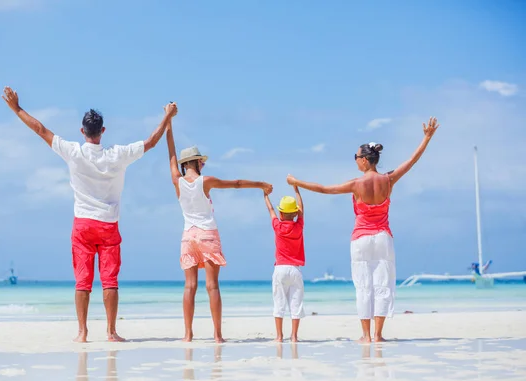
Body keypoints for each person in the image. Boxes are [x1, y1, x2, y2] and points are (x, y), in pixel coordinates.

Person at [2, 86, 177, 342]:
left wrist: (16, 108)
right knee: (110, 281)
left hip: (83, 225)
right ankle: (111, 331)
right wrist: (167, 116)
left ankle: (82, 332)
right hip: (108, 225)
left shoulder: (73, 151)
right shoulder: (117, 155)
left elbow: (41, 130)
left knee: (83, 282)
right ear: (102, 131)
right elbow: (151, 142)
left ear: (82, 131)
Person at [287, 117, 440, 343]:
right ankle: (378, 335)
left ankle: (366, 335)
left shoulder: (356, 184)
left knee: (363, 287)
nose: (355, 161)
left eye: (357, 157)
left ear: (366, 161)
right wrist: (426, 138)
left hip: (360, 240)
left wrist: (296, 182)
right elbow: (411, 161)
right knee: (383, 286)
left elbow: (323, 189)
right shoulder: (388, 180)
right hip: (383, 239)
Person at [164, 116, 272, 343]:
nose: (203, 165)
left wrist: (168, 122)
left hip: (188, 236)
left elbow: (171, 152)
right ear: (194, 162)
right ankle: (217, 335)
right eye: (201, 162)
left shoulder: (177, 180)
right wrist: (261, 184)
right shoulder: (206, 181)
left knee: (189, 285)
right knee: (212, 286)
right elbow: (237, 184)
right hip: (206, 233)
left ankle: (187, 334)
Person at [263, 187, 306, 342]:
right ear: (295, 213)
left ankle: (279, 336)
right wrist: (297, 190)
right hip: (295, 270)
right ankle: (294, 336)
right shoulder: (298, 227)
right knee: (296, 304)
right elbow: (302, 210)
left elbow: (270, 209)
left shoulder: (278, 226)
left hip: (280, 269)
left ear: (281, 214)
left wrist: (265, 195)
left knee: (279, 303)